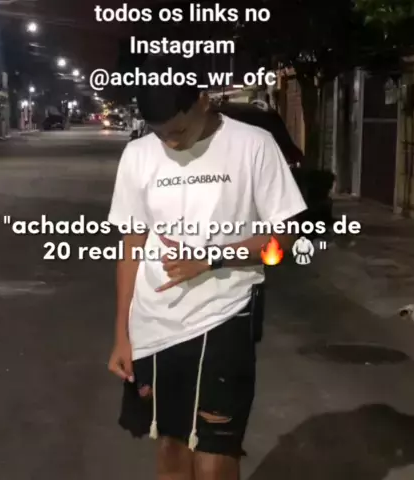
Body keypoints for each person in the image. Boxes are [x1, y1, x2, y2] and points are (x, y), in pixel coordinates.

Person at [108, 55, 307, 480]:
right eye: (160, 134)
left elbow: (284, 239)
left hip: (225, 319)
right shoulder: (137, 155)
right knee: (170, 448)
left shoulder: (253, 145)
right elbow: (131, 245)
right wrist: (121, 334)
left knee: (216, 456)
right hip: (154, 327)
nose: (170, 143)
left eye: (178, 131)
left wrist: (213, 257)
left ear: (203, 100)